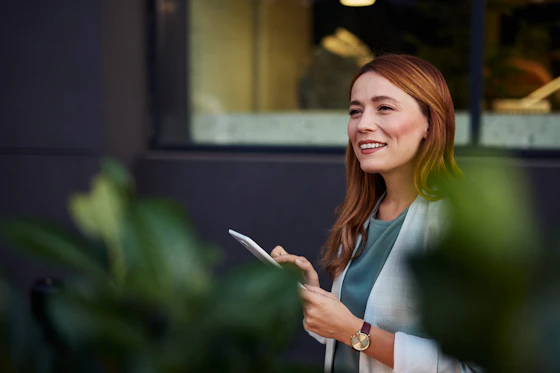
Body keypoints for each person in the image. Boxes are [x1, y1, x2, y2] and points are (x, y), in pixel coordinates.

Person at [271, 54, 478, 373]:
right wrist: (315, 298)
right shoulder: (363, 215)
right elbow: (352, 335)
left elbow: (464, 365)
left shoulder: (457, 223)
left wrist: (353, 330)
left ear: (429, 122)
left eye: (384, 107)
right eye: (355, 111)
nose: (363, 124)